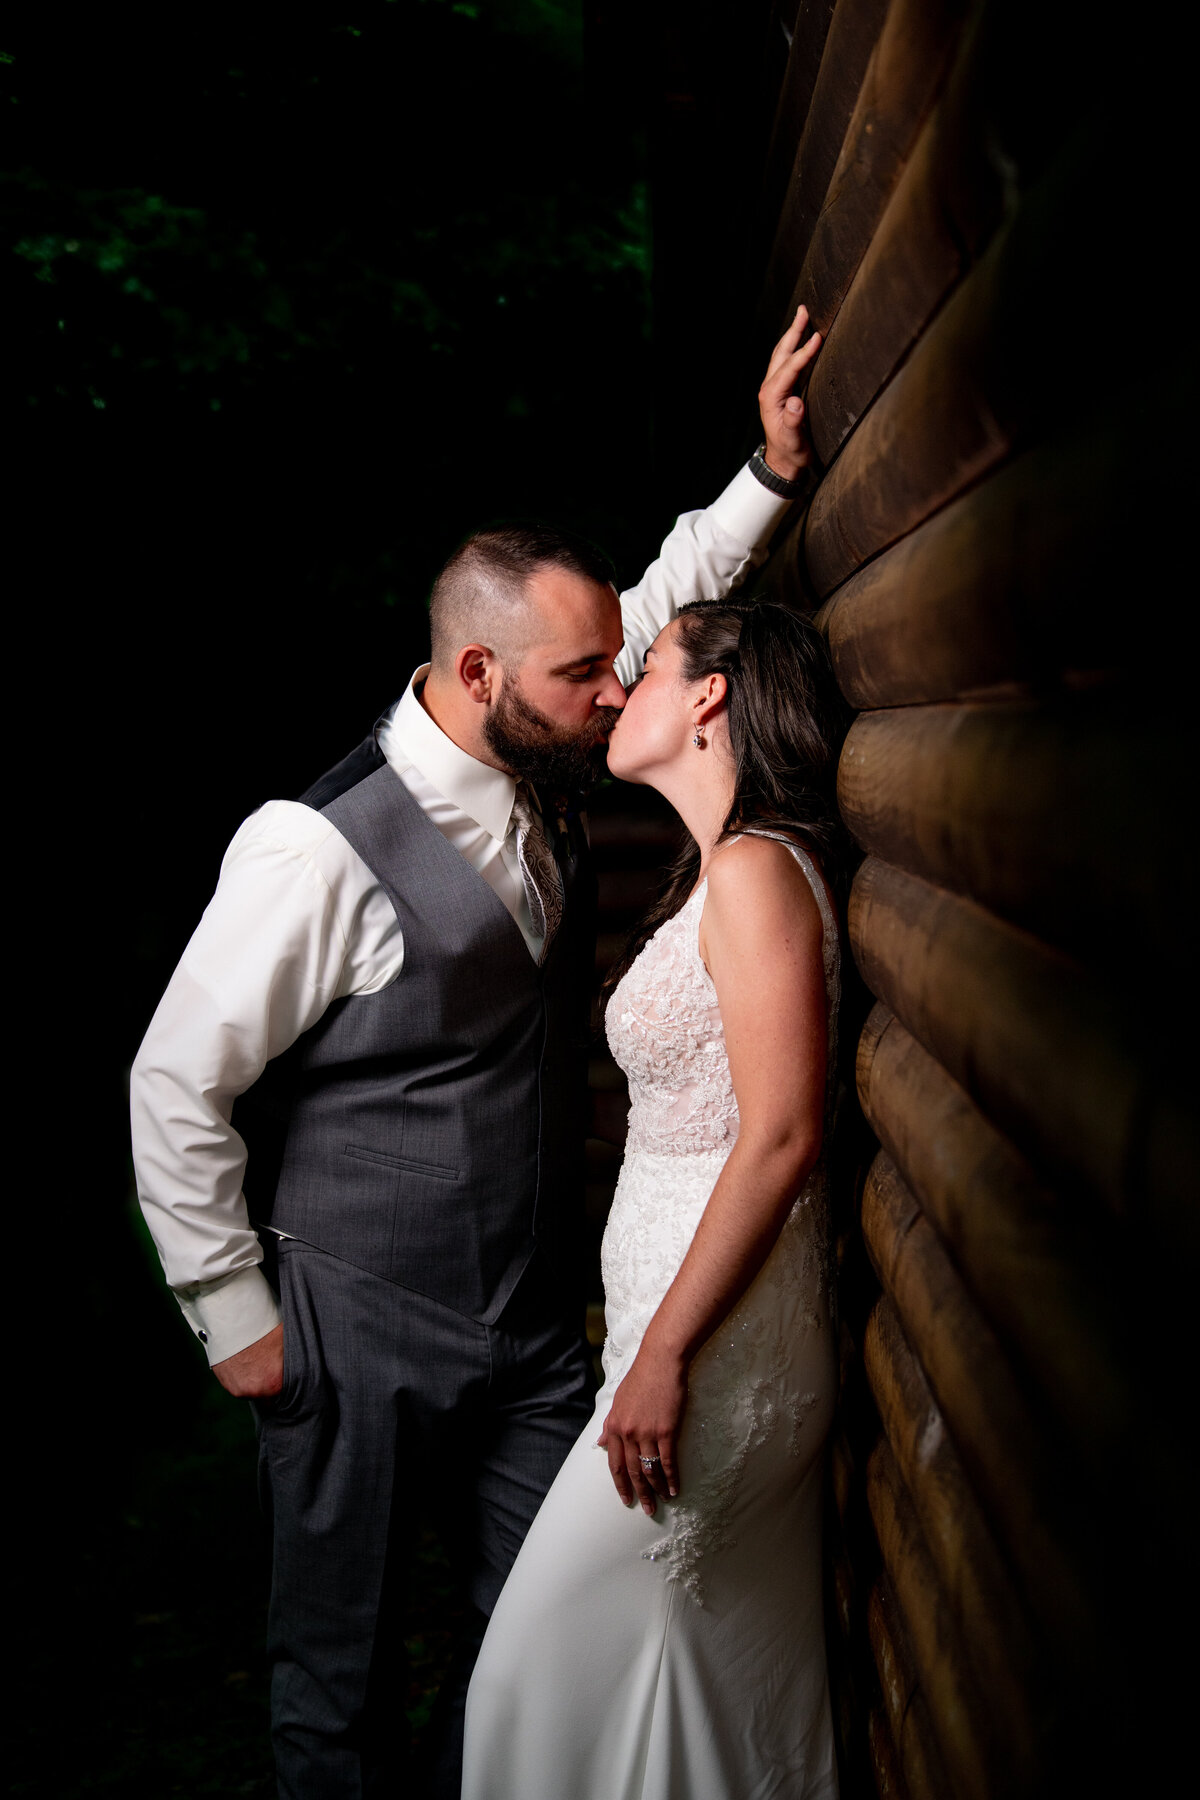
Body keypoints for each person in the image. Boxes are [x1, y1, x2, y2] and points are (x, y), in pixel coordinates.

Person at [129, 308, 824, 1799]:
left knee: (540, 1643)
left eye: (618, 669)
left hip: (524, 1331)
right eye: (587, 675)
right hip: (349, 1321)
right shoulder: (312, 850)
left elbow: (662, 614)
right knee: (340, 1671)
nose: (615, 687)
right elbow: (175, 1083)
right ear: (477, 669)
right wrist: (231, 1313)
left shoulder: (549, 727)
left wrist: (765, 478)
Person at [461, 585, 848, 1799]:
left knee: (525, 1676)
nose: (619, 693)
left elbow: (782, 1136)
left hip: (715, 1350)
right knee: (690, 1681)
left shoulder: (753, 876)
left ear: (711, 697)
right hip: (676, 1332)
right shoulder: (721, 868)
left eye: (645, 670)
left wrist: (669, 1352)